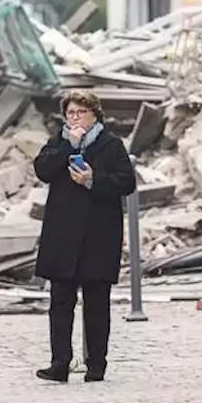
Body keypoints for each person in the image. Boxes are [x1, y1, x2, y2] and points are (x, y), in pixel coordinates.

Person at [32, 90, 137, 382]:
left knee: (96, 303)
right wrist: (69, 147)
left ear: (94, 115)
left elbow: (126, 181)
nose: (74, 118)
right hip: (63, 234)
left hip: (98, 235)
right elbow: (42, 169)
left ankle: (96, 364)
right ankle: (59, 363)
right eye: (70, 113)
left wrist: (93, 180)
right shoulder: (59, 142)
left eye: (80, 113)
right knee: (60, 302)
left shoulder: (110, 144)